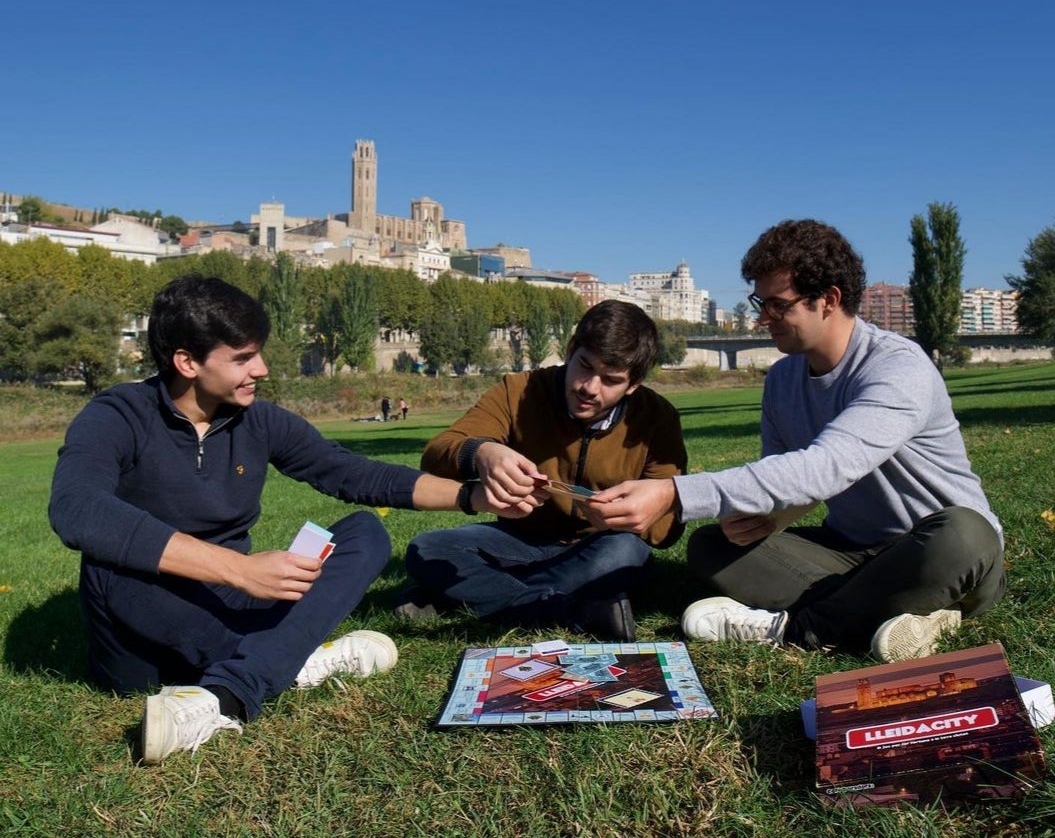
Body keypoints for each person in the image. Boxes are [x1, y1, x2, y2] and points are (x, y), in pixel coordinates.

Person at [49, 275, 526, 764]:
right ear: (187, 362)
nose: (261, 369)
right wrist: (238, 569)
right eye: (242, 358)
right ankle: (285, 665)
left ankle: (241, 680)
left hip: (232, 600)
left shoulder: (257, 420)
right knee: (111, 562)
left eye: (258, 353)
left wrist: (474, 497)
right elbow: (76, 508)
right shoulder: (118, 415)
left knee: (363, 532)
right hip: (149, 620)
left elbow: (353, 474)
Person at [583, 220, 1004, 662]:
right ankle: (901, 610)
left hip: (938, 549)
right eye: (760, 303)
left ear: (829, 300)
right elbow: (784, 478)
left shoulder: (897, 367)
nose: (763, 318)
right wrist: (769, 519)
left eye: (778, 305)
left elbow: (825, 467)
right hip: (851, 551)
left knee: (964, 533)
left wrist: (673, 493)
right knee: (713, 546)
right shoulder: (782, 380)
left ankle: (796, 629)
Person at [399, 300, 687, 641]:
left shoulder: (657, 417)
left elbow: (668, 527)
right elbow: (436, 453)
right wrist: (482, 453)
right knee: (428, 548)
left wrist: (633, 516)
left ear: (633, 384)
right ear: (570, 349)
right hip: (518, 538)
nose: (589, 387)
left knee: (626, 553)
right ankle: (563, 607)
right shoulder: (519, 391)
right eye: (584, 366)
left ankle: (462, 596)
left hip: (599, 544)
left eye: (611, 380)